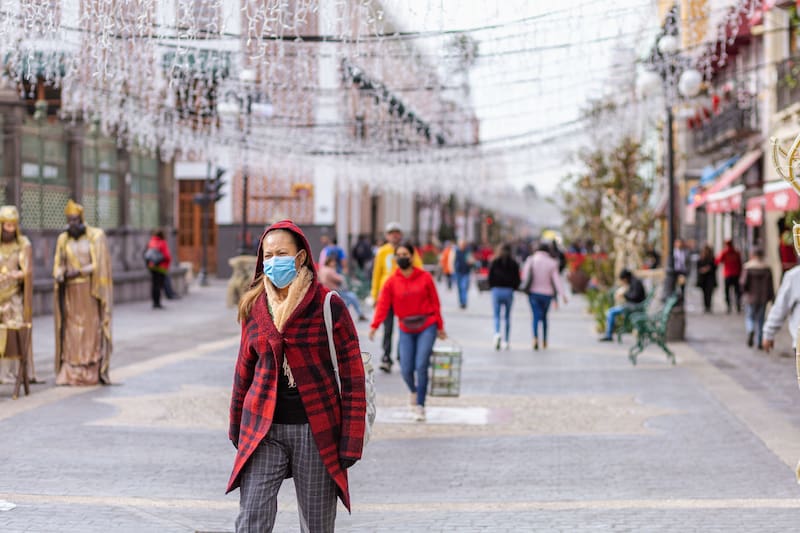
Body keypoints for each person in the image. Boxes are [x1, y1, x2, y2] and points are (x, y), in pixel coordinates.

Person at [227, 220, 366, 532]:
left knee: (317, 524)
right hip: (264, 430)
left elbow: (353, 377)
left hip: (315, 432)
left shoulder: (328, 305)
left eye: (282, 253)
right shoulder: (255, 306)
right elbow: (242, 373)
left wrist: (351, 441)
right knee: (251, 519)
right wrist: (237, 428)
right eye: (268, 255)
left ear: (301, 257)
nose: (274, 261)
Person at [369, 242, 446, 421]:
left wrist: (440, 327)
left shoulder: (425, 277)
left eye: (405, 254)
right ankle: (413, 390)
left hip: (427, 325)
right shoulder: (391, 282)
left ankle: (420, 404)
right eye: (399, 254)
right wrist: (375, 325)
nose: (402, 257)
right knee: (405, 369)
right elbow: (383, 305)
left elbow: (435, 303)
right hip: (405, 327)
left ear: (412, 256)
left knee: (421, 365)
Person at [53, 199, 113, 386]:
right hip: (70, 292)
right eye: (69, 220)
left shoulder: (93, 237)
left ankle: (89, 369)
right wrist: (61, 273)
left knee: (89, 329)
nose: (72, 223)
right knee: (71, 330)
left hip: (89, 290)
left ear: (82, 219)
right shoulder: (63, 239)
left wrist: (80, 271)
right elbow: (57, 265)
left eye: (75, 219)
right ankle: (70, 369)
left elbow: (98, 264)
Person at [370, 221, 422, 373]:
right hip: (386, 295)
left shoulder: (409, 251)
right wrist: (374, 296)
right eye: (391, 233)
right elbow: (376, 274)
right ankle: (386, 357)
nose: (394, 235)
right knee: (388, 328)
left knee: (404, 326)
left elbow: (418, 269)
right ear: (387, 236)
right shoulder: (382, 252)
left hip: (404, 294)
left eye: (397, 233)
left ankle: (402, 355)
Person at [0, 206, 36, 385]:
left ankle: (14, 372)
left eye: (12, 226)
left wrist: (17, 274)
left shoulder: (22, 244)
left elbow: (27, 270)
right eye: (6, 225)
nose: (9, 229)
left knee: (13, 334)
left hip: (13, 296)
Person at [521, 242, 567, 350]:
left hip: (533, 293)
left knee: (536, 316)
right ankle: (545, 340)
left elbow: (524, 276)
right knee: (545, 317)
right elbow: (556, 280)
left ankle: (535, 338)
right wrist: (563, 295)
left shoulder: (531, 260)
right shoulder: (552, 262)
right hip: (547, 294)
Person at [488, 243, 520, 350]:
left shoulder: (495, 262)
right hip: (508, 291)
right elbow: (517, 279)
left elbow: (490, 277)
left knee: (496, 316)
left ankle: (497, 333)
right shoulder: (514, 263)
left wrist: (492, 287)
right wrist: (514, 288)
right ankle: (506, 340)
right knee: (507, 317)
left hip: (496, 290)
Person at [740, 248, 774, 349]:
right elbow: (770, 285)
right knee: (761, 320)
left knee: (750, 317)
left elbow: (743, 283)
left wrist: (744, 293)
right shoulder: (766, 268)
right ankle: (759, 341)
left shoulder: (748, 267)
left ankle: (750, 329)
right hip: (763, 298)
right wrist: (772, 297)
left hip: (751, 297)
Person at [763, 264, 800, 354]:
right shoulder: (795, 276)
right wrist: (769, 333)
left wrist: (769, 333)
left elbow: (780, 307)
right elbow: (780, 307)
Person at [599, 269, 645, 342]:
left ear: (625, 278)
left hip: (634, 306)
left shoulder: (635, 283)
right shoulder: (633, 281)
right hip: (632, 305)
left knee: (611, 312)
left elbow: (635, 297)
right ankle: (608, 334)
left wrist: (624, 295)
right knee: (611, 311)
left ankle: (608, 335)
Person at [319, 255, 367, 321]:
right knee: (352, 297)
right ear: (329, 262)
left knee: (350, 298)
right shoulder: (330, 271)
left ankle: (357, 314)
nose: (334, 263)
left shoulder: (322, 269)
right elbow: (340, 279)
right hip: (335, 291)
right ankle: (357, 314)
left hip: (327, 291)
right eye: (333, 262)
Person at [145, 229, 171, 309]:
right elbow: (167, 255)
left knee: (154, 285)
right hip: (161, 267)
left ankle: (154, 302)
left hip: (152, 266)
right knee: (159, 286)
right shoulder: (162, 242)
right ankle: (158, 303)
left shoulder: (151, 242)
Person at [716, 239, 743, 313]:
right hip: (736, 274)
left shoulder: (725, 252)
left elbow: (717, 261)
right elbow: (740, 264)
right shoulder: (736, 253)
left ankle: (729, 307)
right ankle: (738, 305)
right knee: (737, 291)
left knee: (727, 291)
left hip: (728, 274)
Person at [695, 244, 717, 313]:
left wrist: (708, 269)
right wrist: (703, 270)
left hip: (710, 279)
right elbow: (698, 268)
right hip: (703, 279)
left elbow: (714, 267)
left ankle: (709, 306)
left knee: (709, 293)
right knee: (704, 294)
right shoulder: (701, 259)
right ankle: (706, 306)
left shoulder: (712, 259)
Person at [453, 239, 474, 309]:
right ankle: (461, 302)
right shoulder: (457, 252)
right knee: (459, 288)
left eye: (463, 245)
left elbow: (471, 262)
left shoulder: (467, 252)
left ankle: (464, 303)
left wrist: (470, 263)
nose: (461, 246)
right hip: (458, 272)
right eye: (460, 245)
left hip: (466, 272)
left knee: (464, 287)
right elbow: (454, 261)